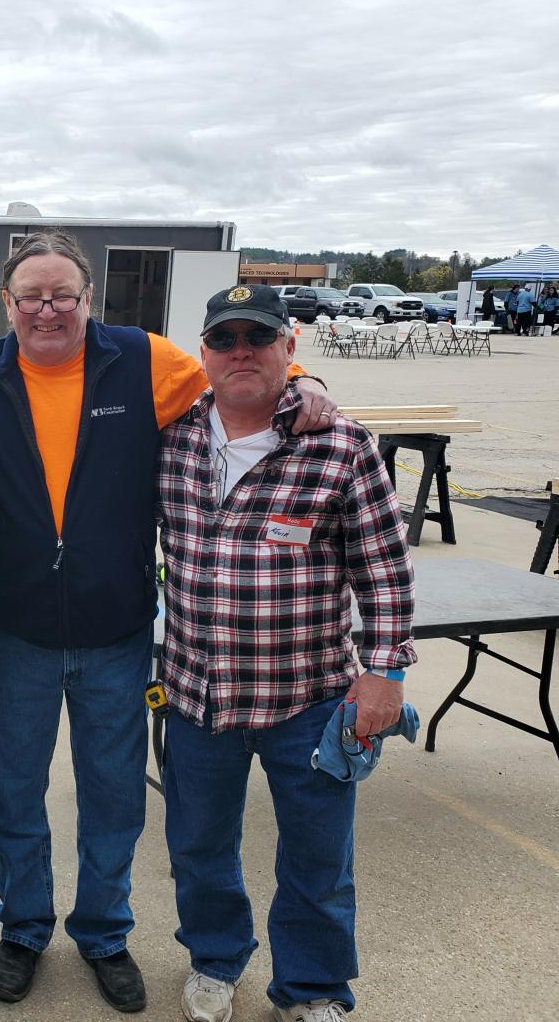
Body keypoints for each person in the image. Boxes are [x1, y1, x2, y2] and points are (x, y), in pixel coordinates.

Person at [0, 230, 337, 1014]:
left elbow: (242, 377)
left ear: (88, 298)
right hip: (12, 631)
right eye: (31, 297)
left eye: (63, 295)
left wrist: (307, 380)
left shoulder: (143, 360)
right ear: (7, 303)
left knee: (115, 796)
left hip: (116, 630)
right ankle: (23, 927)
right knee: (13, 794)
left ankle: (103, 933)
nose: (48, 310)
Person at [156, 284, 415, 1022]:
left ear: (289, 347)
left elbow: (385, 570)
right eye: (225, 339)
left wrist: (385, 671)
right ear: (203, 353)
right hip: (196, 697)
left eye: (258, 337)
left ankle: (312, 988)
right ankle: (214, 960)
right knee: (198, 847)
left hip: (309, 699)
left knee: (318, 858)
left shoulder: (341, 446)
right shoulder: (169, 440)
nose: (241, 352)